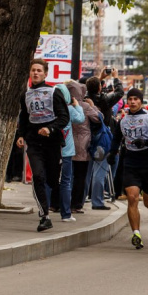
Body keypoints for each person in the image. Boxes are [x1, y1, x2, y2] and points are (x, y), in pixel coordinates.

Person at [17, 59, 70, 232]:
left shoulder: (54, 92)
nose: (36, 73)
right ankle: (44, 216)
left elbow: (64, 117)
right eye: (33, 70)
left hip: (52, 142)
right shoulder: (25, 95)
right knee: (38, 176)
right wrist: (21, 136)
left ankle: (55, 202)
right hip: (34, 142)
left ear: (46, 73)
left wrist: (50, 128)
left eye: (39, 70)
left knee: (53, 180)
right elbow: (24, 118)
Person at [109, 88, 148, 249]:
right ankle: (136, 233)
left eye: (135, 99)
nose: (132, 102)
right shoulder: (122, 121)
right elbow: (116, 138)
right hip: (130, 162)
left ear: (140, 101)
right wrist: (112, 152)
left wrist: (147, 143)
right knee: (132, 197)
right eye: (130, 99)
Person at [48, 83, 84, 223]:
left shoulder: (49, 109)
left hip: (50, 150)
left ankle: (44, 212)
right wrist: (77, 106)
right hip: (66, 151)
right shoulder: (69, 109)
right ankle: (66, 214)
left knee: (47, 180)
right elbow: (80, 119)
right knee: (65, 181)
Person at [65, 81, 100, 215]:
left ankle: (58, 203)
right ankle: (76, 204)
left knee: (65, 176)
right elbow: (98, 118)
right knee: (80, 176)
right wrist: (94, 107)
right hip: (83, 145)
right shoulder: (85, 106)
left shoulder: (63, 105)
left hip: (66, 143)